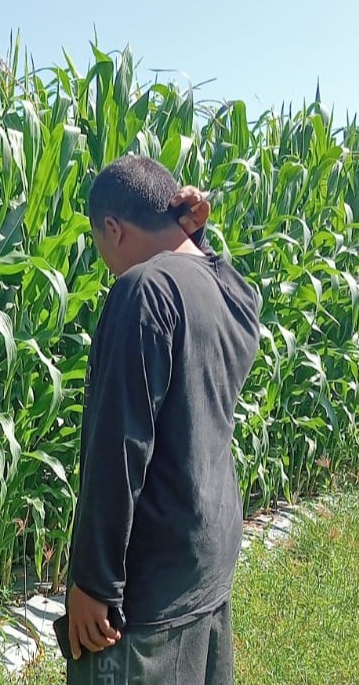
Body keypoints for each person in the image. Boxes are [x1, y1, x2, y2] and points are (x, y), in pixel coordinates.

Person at [64, 156, 261, 684]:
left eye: (101, 245)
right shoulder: (232, 293)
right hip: (207, 559)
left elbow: (119, 446)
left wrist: (94, 582)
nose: (108, 263)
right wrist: (199, 234)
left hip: (147, 589)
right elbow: (222, 272)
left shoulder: (144, 291)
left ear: (113, 228)